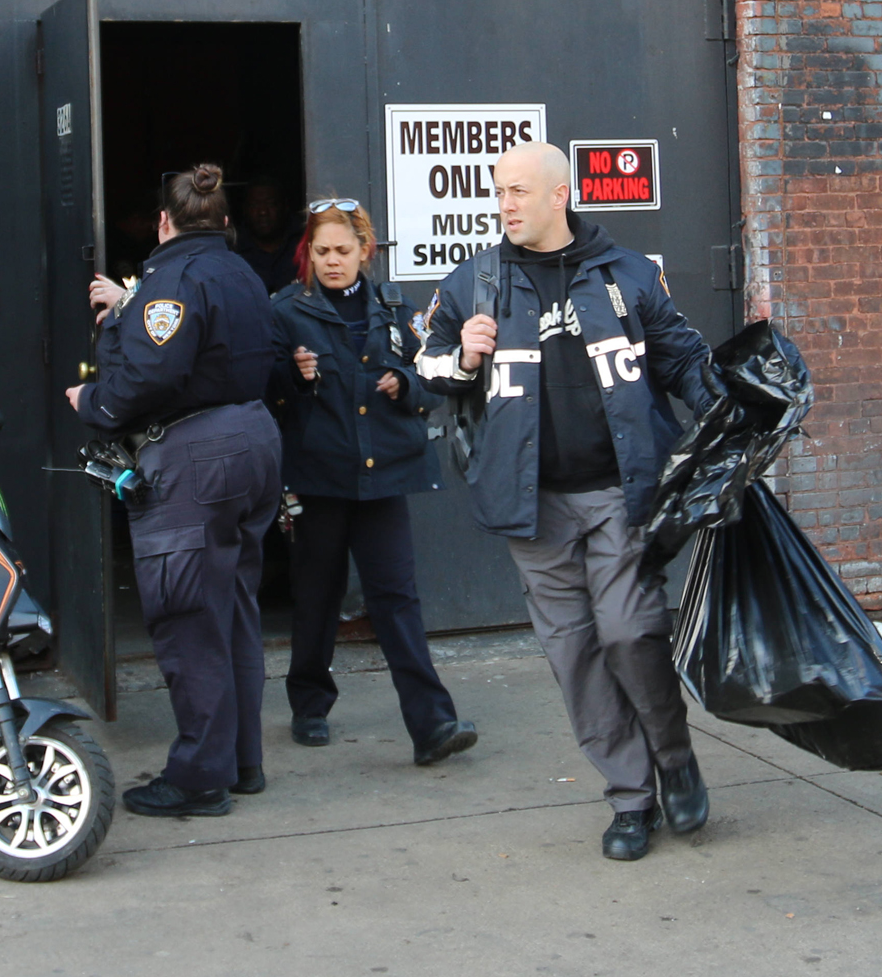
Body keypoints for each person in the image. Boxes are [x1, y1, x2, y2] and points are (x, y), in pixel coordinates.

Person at [414, 140, 715, 861]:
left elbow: (683, 358)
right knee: (576, 655)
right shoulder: (473, 283)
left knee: (627, 632)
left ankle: (674, 755)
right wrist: (462, 358)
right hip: (531, 507)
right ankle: (631, 797)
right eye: (499, 192)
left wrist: (735, 416)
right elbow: (423, 361)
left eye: (518, 191)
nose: (505, 205)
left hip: (618, 493)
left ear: (560, 194)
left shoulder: (629, 273)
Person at [66, 164, 281, 818]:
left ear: (164, 222)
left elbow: (152, 373)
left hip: (195, 456)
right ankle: (241, 761)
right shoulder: (241, 271)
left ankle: (198, 775)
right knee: (234, 605)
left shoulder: (170, 278)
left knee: (188, 614)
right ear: (223, 221)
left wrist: (93, 400)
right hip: (254, 440)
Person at [265, 199, 479, 765]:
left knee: (397, 599)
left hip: (383, 477)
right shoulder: (286, 311)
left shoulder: (394, 308)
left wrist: (407, 384)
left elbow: (435, 377)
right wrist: (292, 374)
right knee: (317, 594)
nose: (332, 261)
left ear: (366, 251)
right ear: (307, 253)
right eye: (321, 251)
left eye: (343, 251)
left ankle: (433, 724)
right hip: (320, 477)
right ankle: (309, 704)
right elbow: (262, 389)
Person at [238, 180, 303, 294]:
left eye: (270, 204)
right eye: (255, 205)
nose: (263, 212)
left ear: (285, 206)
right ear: (245, 210)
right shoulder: (233, 249)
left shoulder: (303, 243)